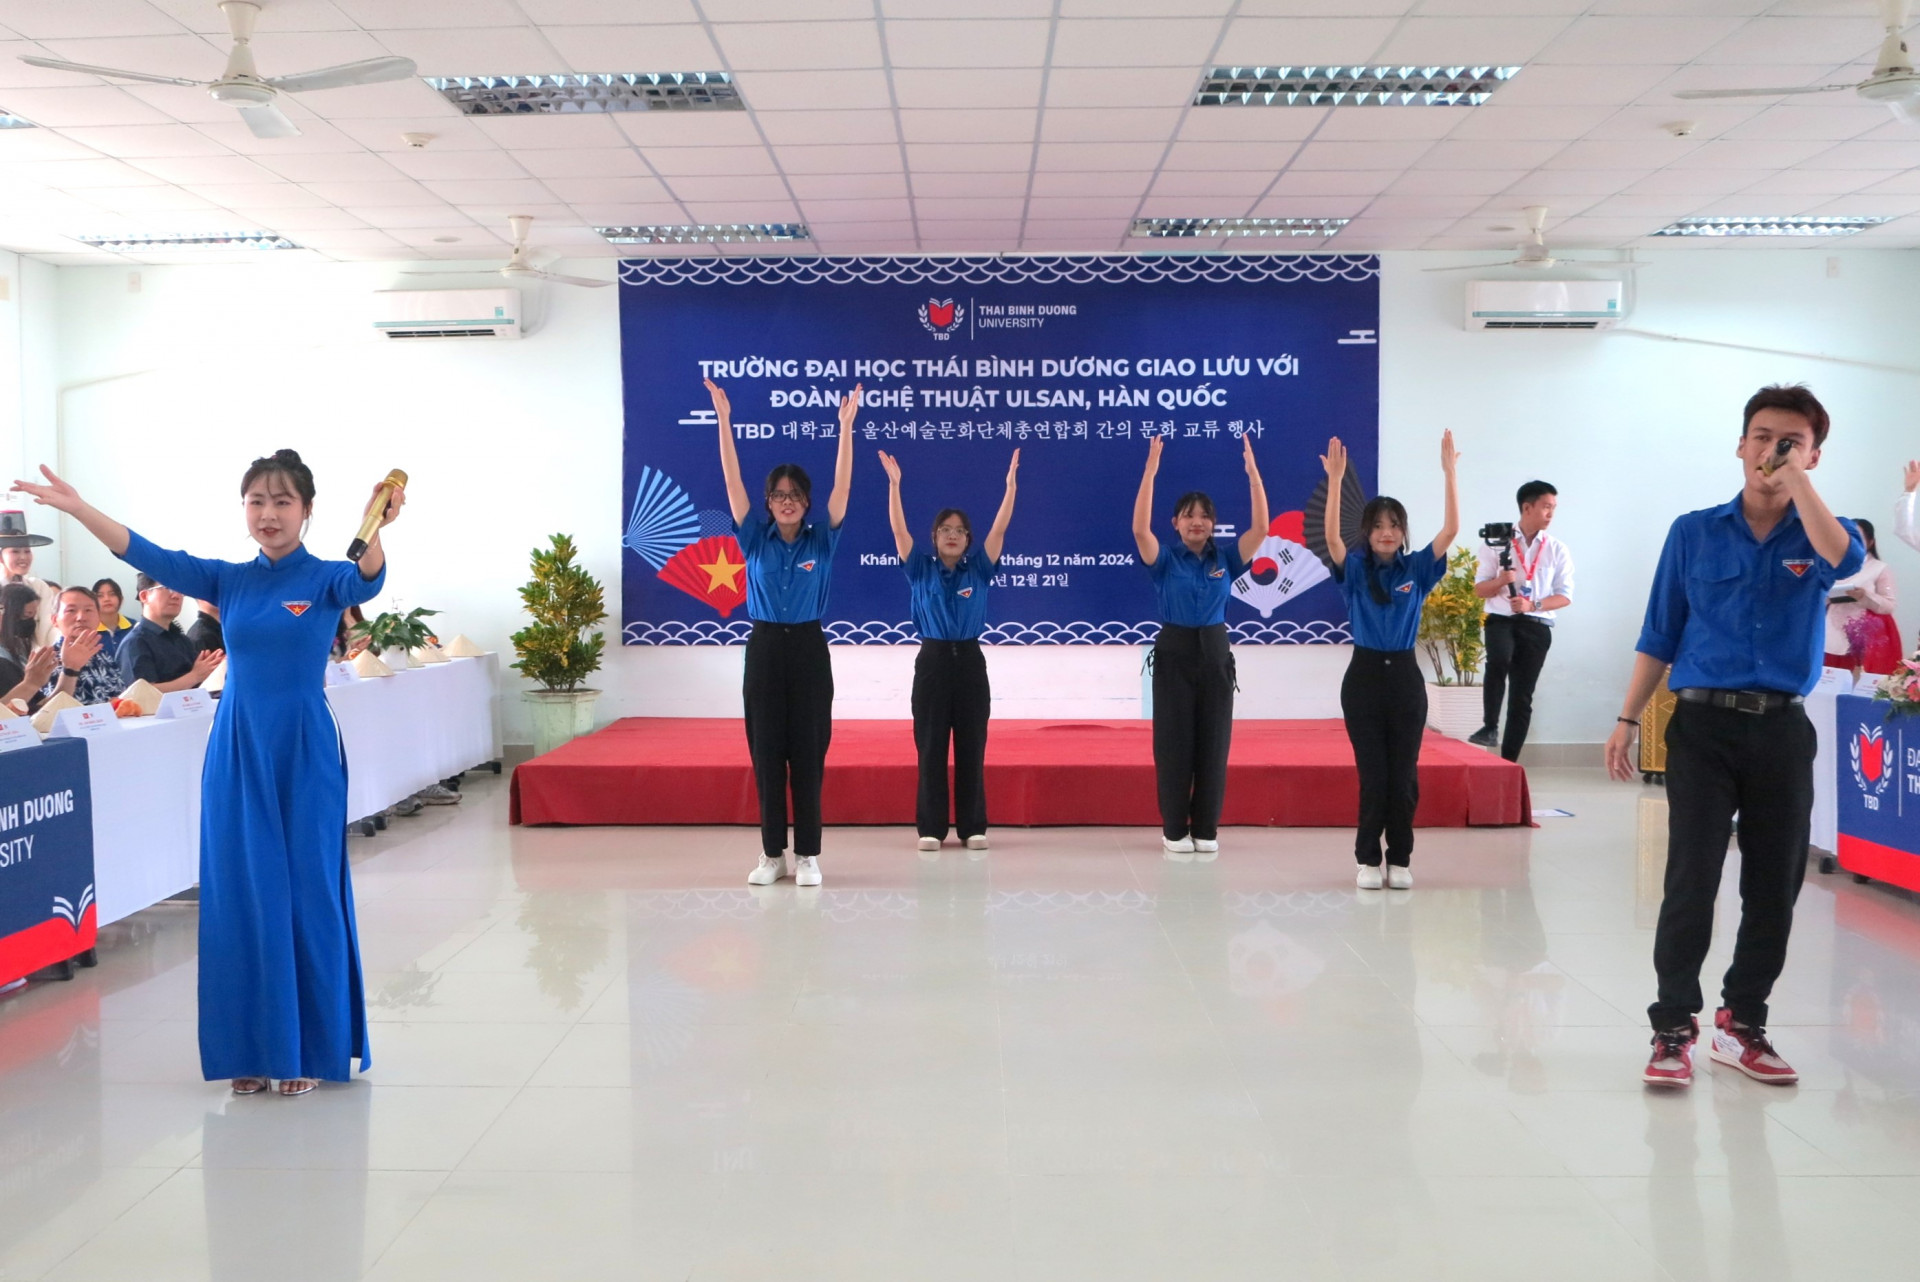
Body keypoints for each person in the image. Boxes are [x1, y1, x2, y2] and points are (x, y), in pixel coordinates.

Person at [13, 449, 405, 1098]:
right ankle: (251, 1046)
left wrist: (380, 526)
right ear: (243, 510)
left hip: (306, 751)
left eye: (283, 501)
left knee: (305, 888)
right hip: (237, 750)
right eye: (257, 501)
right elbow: (146, 550)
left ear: (307, 510)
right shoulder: (228, 580)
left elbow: (367, 579)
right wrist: (80, 508)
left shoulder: (328, 578)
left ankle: (307, 1043)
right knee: (241, 891)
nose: (269, 513)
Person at [1605, 384, 1862, 1089]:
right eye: (1761, 437)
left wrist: (1799, 483)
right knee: (1691, 876)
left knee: (1774, 884)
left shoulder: (1826, 533)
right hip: (1703, 727)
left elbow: (1844, 564)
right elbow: (1660, 630)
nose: (1771, 451)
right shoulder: (1694, 531)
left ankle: (1742, 1021)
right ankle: (1671, 1027)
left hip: (1781, 729)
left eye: (1791, 441)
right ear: (1740, 444)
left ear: (1813, 454)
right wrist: (1628, 718)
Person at [708, 377, 858, 888]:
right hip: (766, 647)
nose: (786, 501)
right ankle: (772, 853)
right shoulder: (754, 537)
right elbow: (732, 483)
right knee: (767, 749)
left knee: (809, 749)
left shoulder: (824, 539)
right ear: (768, 502)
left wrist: (845, 429)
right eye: (778, 495)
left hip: (810, 648)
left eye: (794, 495)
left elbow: (843, 489)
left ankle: (808, 855)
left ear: (806, 501)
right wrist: (724, 421)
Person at [1321, 431, 1460, 890]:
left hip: (1404, 677)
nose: (1386, 532)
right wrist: (1337, 480)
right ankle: (1366, 860)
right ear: (1368, 531)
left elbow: (1451, 532)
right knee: (1373, 776)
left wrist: (1449, 472)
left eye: (1394, 525)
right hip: (1362, 677)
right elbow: (1331, 541)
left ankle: (1399, 859)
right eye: (1378, 525)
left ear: (1403, 532)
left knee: (1403, 776)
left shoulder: (1417, 569)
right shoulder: (1356, 570)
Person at [1132, 432, 1269, 859]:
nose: (1197, 522)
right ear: (1175, 523)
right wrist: (1151, 471)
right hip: (1173, 651)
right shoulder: (1165, 560)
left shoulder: (1225, 560)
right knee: (1173, 743)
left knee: (1213, 742)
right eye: (1188, 516)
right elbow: (1139, 528)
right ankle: (1175, 829)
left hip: (1214, 651)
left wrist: (1252, 476)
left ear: (1214, 524)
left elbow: (1262, 528)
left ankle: (1206, 827)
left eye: (1204, 516)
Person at [879, 447, 1020, 854]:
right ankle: (931, 827)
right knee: (931, 745)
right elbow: (898, 532)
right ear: (935, 538)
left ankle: (973, 826)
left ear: (968, 539)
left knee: (972, 745)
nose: (952, 534)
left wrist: (1010, 488)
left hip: (971, 662)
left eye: (959, 529)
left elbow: (1000, 529)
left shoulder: (979, 568)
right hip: (933, 662)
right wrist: (895, 486)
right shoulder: (919, 567)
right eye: (945, 529)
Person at [1469, 481, 1574, 761]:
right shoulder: (1496, 542)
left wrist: (1533, 604)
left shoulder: (1557, 549)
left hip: (1537, 626)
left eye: (1553, 508)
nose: (1551, 514)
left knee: (1522, 697)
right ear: (1527, 507)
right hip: (1501, 619)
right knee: (1499, 660)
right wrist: (1501, 581)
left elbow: (1564, 596)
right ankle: (1490, 725)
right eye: (1546, 507)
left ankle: (1509, 761)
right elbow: (1479, 589)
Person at [117, 573, 224, 691]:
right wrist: (194, 677)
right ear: (144, 596)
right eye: (167, 587)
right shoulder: (135, 643)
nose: (176, 595)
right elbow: (142, 693)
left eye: (180, 590)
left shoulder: (182, 639)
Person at [1824, 518, 1899, 675]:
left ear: (1870, 542)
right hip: (1831, 630)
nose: (1851, 543)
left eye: (1859, 538)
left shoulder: (1879, 568)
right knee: (1829, 680)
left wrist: (1865, 596)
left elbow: (1889, 605)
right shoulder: (1829, 564)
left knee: (1860, 682)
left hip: (1867, 633)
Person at [39, 587, 125, 706]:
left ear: (99, 618)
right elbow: (46, 712)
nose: (81, 617)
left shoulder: (103, 654)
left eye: (88, 610)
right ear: (54, 620)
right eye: (71, 610)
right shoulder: (47, 660)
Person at [0, 509, 59, 648]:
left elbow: (47, 628)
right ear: (1, 556)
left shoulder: (38, 587)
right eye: (15, 551)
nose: (23, 557)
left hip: (31, 658)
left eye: (27, 551)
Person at [0, 582, 56, 711]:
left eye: (32, 618)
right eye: (25, 616)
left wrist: (71, 670)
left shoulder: (17, 651)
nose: (29, 623)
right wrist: (31, 683)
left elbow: (39, 705)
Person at [92, 577, 136, 658]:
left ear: (121, 599)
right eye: (100, 596)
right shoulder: (90, 630)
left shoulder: (135, 627)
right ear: (92, 602)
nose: (107, 599)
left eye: (112, 594)